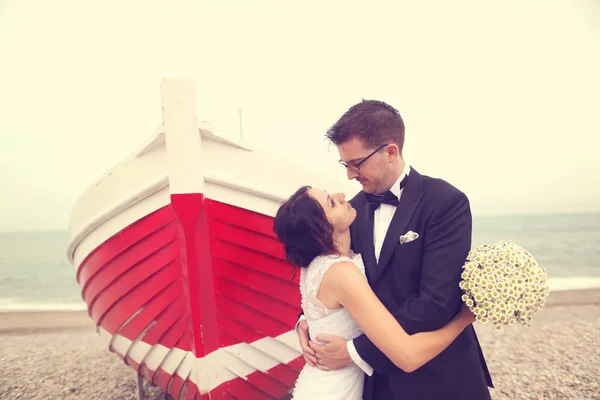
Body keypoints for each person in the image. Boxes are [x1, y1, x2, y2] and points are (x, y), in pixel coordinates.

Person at [296, 100, 493, 399]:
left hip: (440, 377)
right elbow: (330, 268)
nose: (350, 175)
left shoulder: (445, 202)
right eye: (344, 164)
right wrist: (307, 320)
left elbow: (437, 303)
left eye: (356, 163)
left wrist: (355, 350)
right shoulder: (352, 211)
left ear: (390, 152)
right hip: (376, 386)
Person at [273, 185, 477, 400]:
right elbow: (408, 356)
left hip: (326, 384)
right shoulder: (342, 272)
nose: (341, 195)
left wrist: (303, 322)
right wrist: (462, 319)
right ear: (322, 229)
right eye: (331, 202)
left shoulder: (316, 264)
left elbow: (322, 309)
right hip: (335, 392)